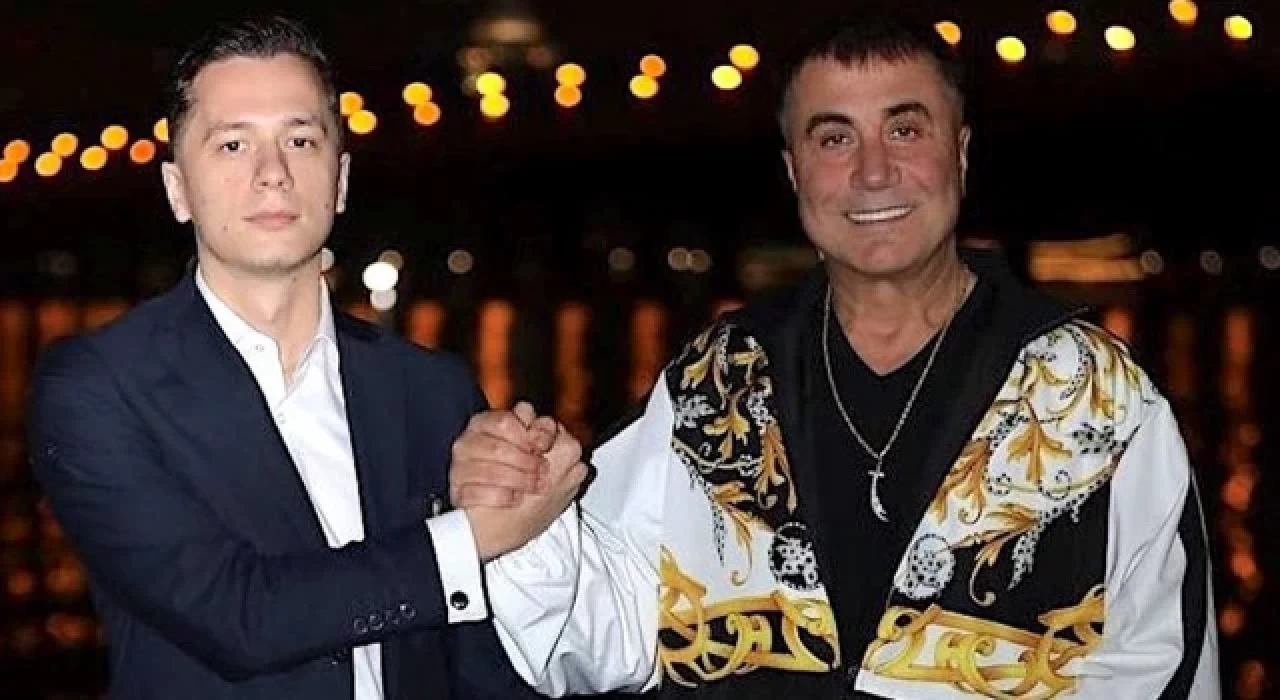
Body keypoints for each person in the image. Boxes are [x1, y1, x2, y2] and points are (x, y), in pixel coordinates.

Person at [450, 9, 1221, 699]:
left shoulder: (1096, 394)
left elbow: (1164, 669)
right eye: (835, 137)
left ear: (960, 153)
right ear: (793, 171)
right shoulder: (716, 378)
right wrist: (522, 506)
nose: (873, 171)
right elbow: (604, 627)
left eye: (905, 130)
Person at [26, 16, 582, 700]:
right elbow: (235, 618)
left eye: (300, 140)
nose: (273, 174)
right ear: (177, 189)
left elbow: (475, 666)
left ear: (339, 179)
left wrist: (537, 495)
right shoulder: (96, 386)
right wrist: (467, 540)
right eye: (233, 144)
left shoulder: (430, 388)